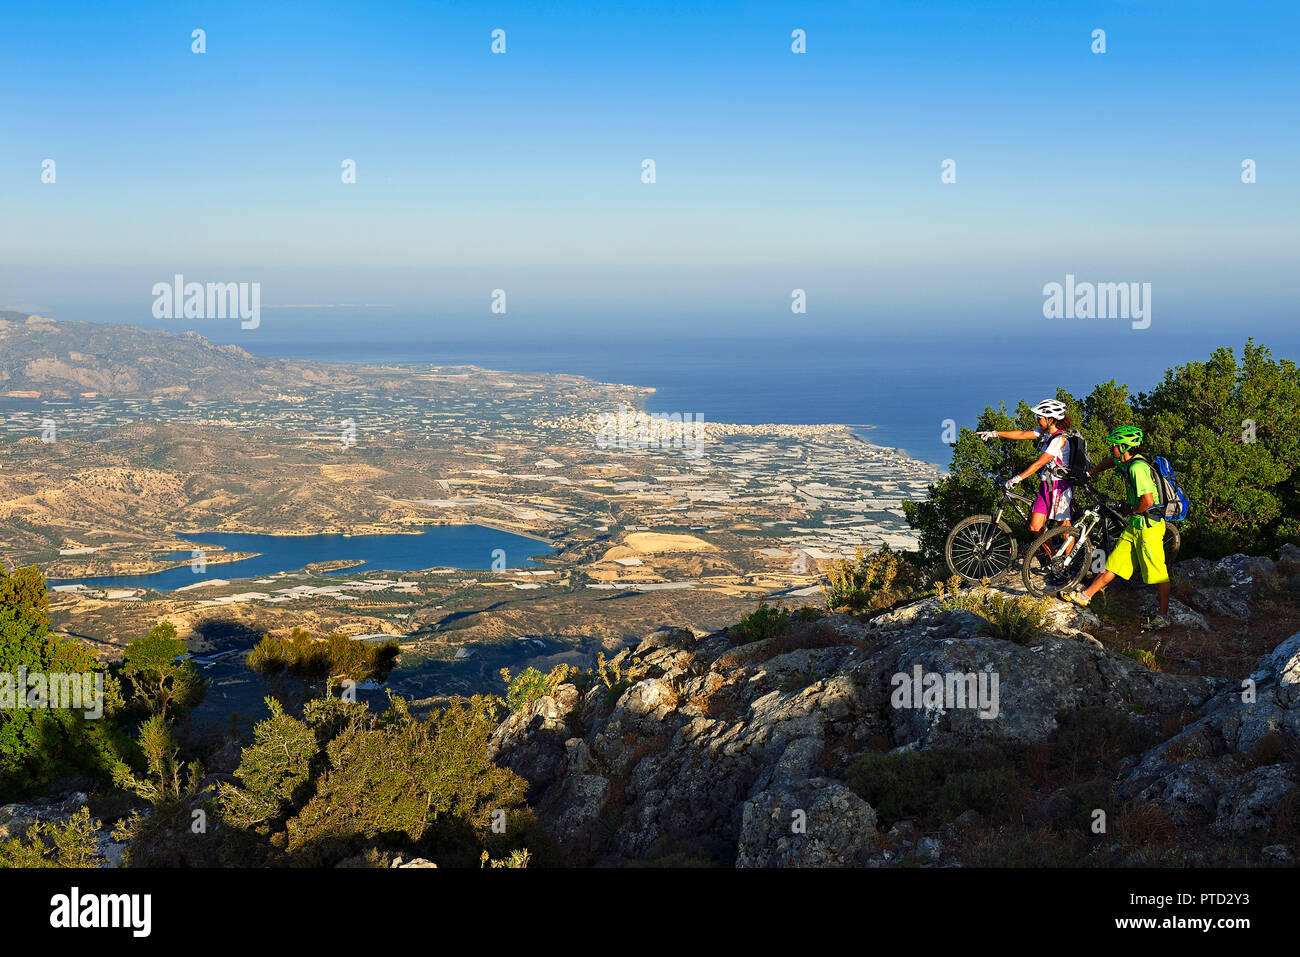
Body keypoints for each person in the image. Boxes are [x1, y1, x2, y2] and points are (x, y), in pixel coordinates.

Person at [1062, 426, 1170, 627]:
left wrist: (1132, 510)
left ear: (1124, 446)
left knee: (1157, 573)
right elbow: (1111, 462)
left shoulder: (1138, 468)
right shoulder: (1125, 462)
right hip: (1136, 526)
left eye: (1115, 445)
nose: (1112, 447)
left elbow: (1147, 500)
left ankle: (1163, 617)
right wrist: (1090, 473)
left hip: (1149, 526)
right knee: (1114, 563)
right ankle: (1086, 596)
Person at [978, 399, 1076, 544]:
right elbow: (1022, 435)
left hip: (1060, 487)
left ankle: (1069, 563)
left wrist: (1017, 478)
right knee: (1035, 527)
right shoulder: (1046, 433)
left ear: (1051, 419)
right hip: (1046, 485)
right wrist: (995, 433)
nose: (1037, 419)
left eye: (1040, 417)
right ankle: (1054, 561)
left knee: (1064, 528)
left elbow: (1039, 464)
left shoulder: (1059, 440)